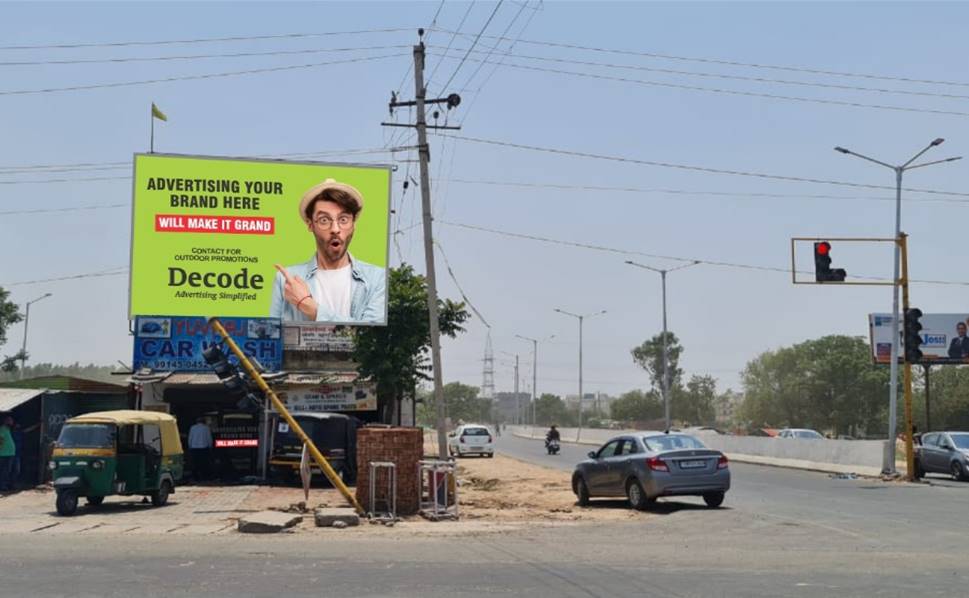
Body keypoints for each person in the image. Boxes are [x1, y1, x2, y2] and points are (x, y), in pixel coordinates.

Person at [271, 179, 386, 324]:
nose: (335, 229)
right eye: (324, 220)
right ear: (310, 225)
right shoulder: (286, 281)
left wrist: (308, 306)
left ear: (353, 225)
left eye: (343, 219)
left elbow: (373, 337)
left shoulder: (378, 278)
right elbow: (271, 335)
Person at [188, 417, 213, 482]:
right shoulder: (206, 428)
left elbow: (190, 438)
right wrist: (210, 446)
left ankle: (195, 477)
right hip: (204, 448)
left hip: (194, 448)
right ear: (203, 421)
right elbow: (209, 438)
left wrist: (190, 446)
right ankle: (204, 476)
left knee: (195, 463)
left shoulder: (192, 428)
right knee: (204, 463)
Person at [0, 416, 15, 492]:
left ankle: (6, 485)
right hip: (3, 454)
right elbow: (0, 440)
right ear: (6, 421)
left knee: (7, 471)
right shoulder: (2, 429)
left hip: (9, 453)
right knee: (4, 471)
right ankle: (2, 486)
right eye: (10, 420)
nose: (12, 422)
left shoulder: (8, 429)